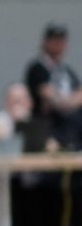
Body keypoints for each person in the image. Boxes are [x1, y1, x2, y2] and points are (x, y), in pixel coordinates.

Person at [24, 23, 82, 151]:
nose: (58, 44)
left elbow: (79, 94)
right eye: (54, 40)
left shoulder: (66, 70)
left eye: (61, 40)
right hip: (49, 128)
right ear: (46, 42)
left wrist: (65, 101)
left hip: (73, 128)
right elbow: (49, 97)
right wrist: (69, 101)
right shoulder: (37, 68)